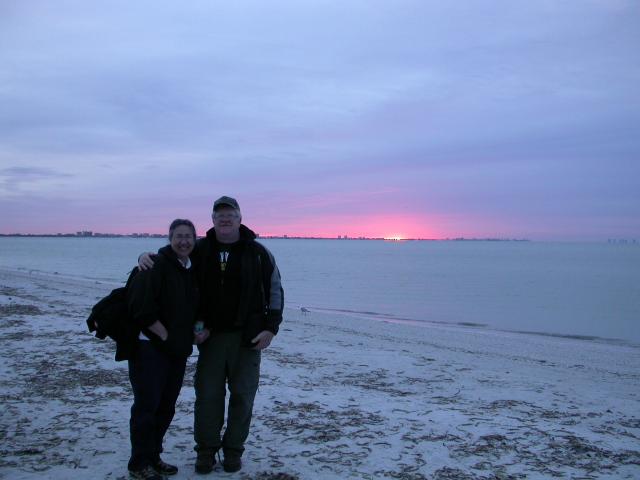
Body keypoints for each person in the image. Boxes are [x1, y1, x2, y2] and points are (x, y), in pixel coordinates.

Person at [138, 196, 284, 474]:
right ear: (213, 220)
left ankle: (233, 451)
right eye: (220, 215)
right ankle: (206, 450)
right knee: (208, 397)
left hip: (249, 339)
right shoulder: (201, 249)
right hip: (211, 337)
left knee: (243, 396)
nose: (225, 219)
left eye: (230, 214)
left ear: (240, 218)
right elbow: (172, 256)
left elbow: (275, 291)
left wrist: (271, 328)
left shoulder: (258, 253)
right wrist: (146, 256)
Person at [127, 219, 200, 480]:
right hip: (149, 350)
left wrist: (197, 331)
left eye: (188, 237)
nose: (184, 241)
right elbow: (142, 310)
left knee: (166, 407)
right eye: (179, 236)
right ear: (169, 238)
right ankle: (139, 463)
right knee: (147, 406)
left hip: (176, 351)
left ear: (195, 239)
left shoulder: (190, 267)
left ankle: (153, 456)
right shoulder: (155, 265)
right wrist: (166, 336)